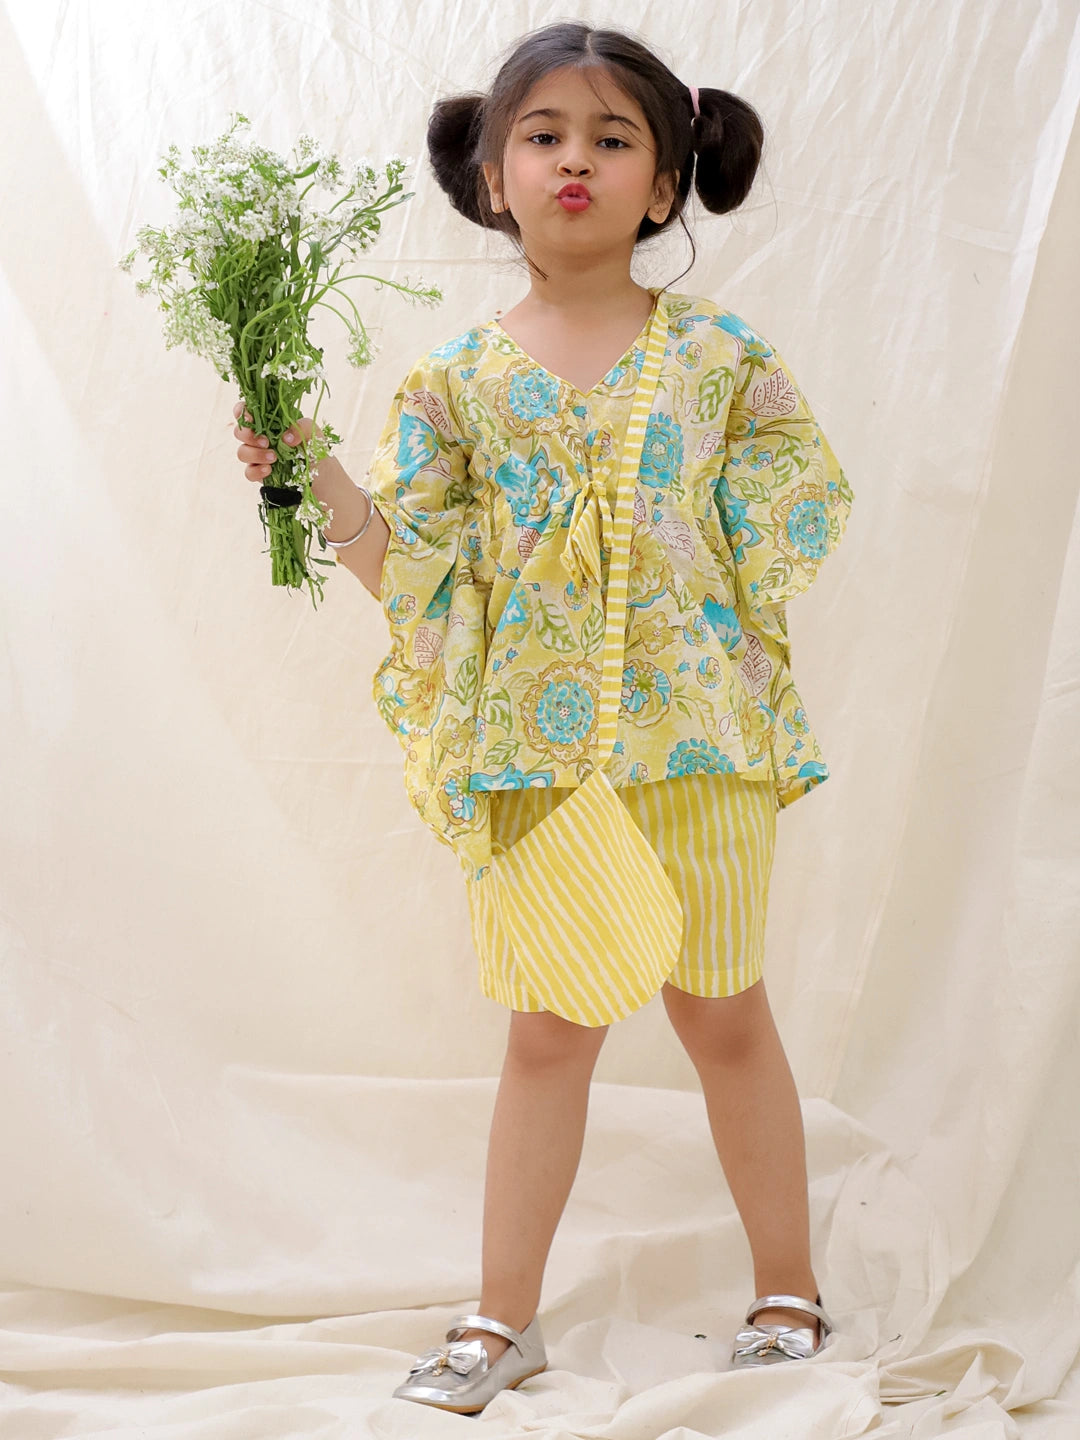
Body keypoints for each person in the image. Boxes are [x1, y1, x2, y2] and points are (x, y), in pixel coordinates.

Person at [232, 19, 852, 1416]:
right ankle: (500, 1318)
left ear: (667, 182)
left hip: (698, 744)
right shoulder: (453, 383)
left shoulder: (720, 360)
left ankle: (788, 1289)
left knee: (725, 1017)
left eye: (613, 138)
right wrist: (314, 480)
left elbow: (797, 506)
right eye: (545, 135)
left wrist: (685, 587)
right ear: (492, 175)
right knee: (546, 1035)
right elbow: (417, 579)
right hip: (536, 758)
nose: (577, 160)